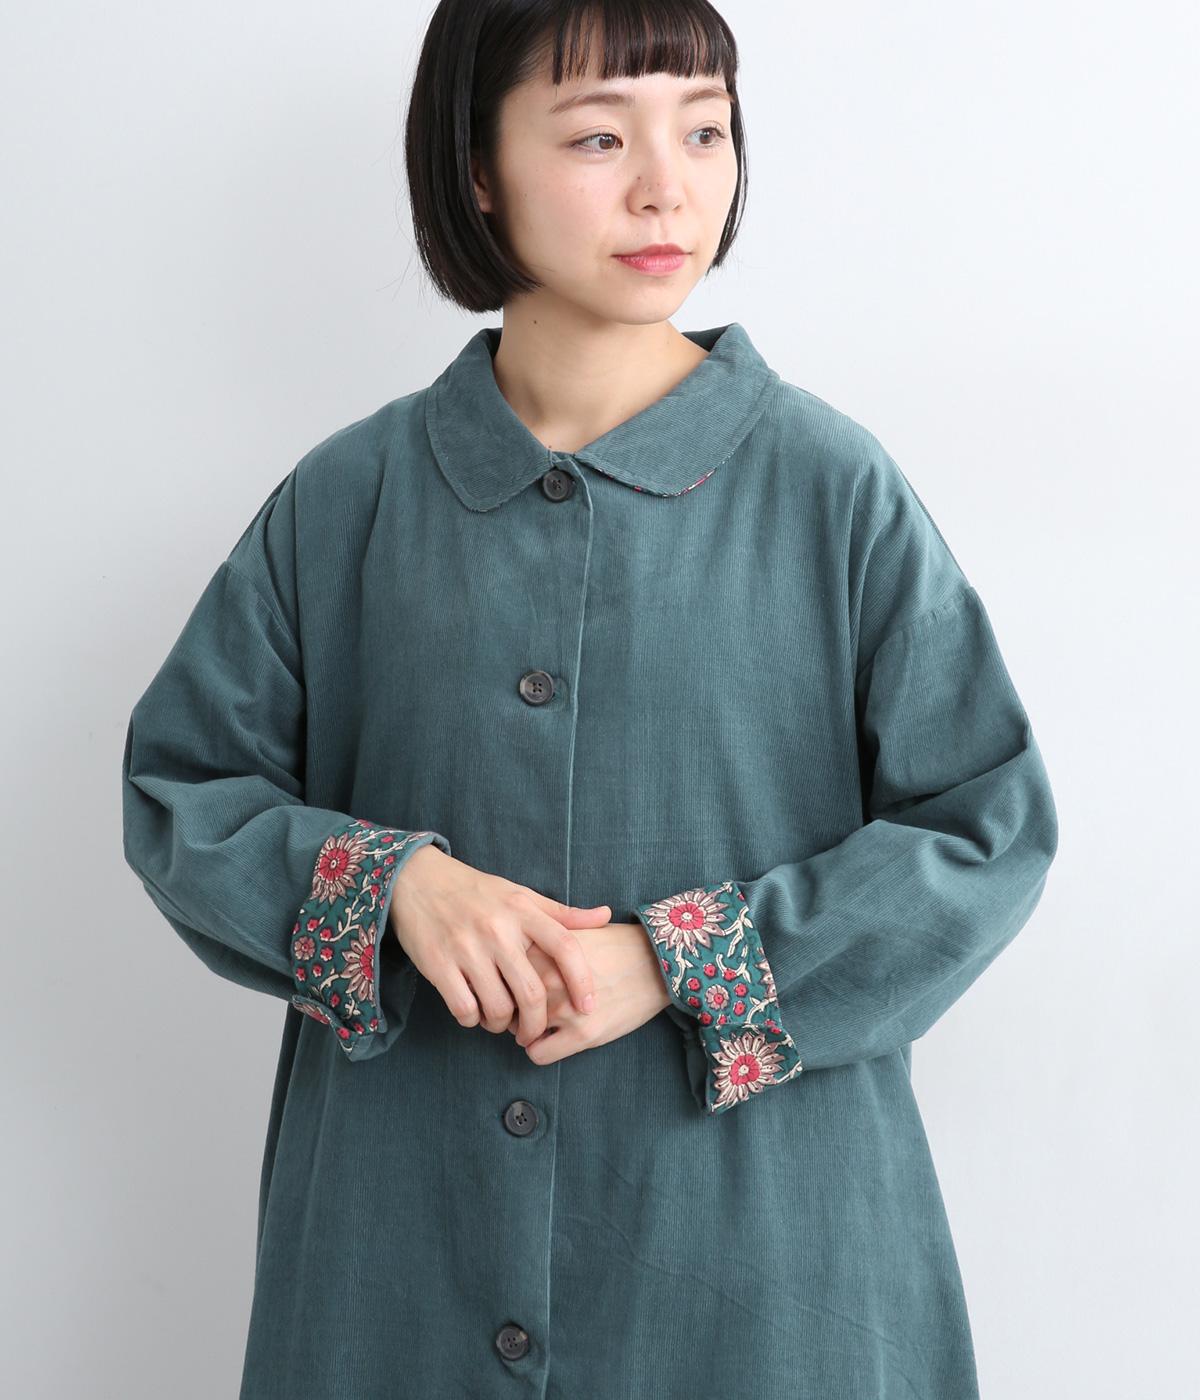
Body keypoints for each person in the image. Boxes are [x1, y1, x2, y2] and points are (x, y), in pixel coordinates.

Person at [120, 2, 1060, 1396]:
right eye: (600, 137)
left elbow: (985, 832)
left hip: (763, 1285)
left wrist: (686, 963)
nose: (667, 186)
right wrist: (393, 886)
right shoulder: (346, 502)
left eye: (705, 131)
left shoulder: (832, 491)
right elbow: (184, 794)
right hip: (400, 1266)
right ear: (478, 168)